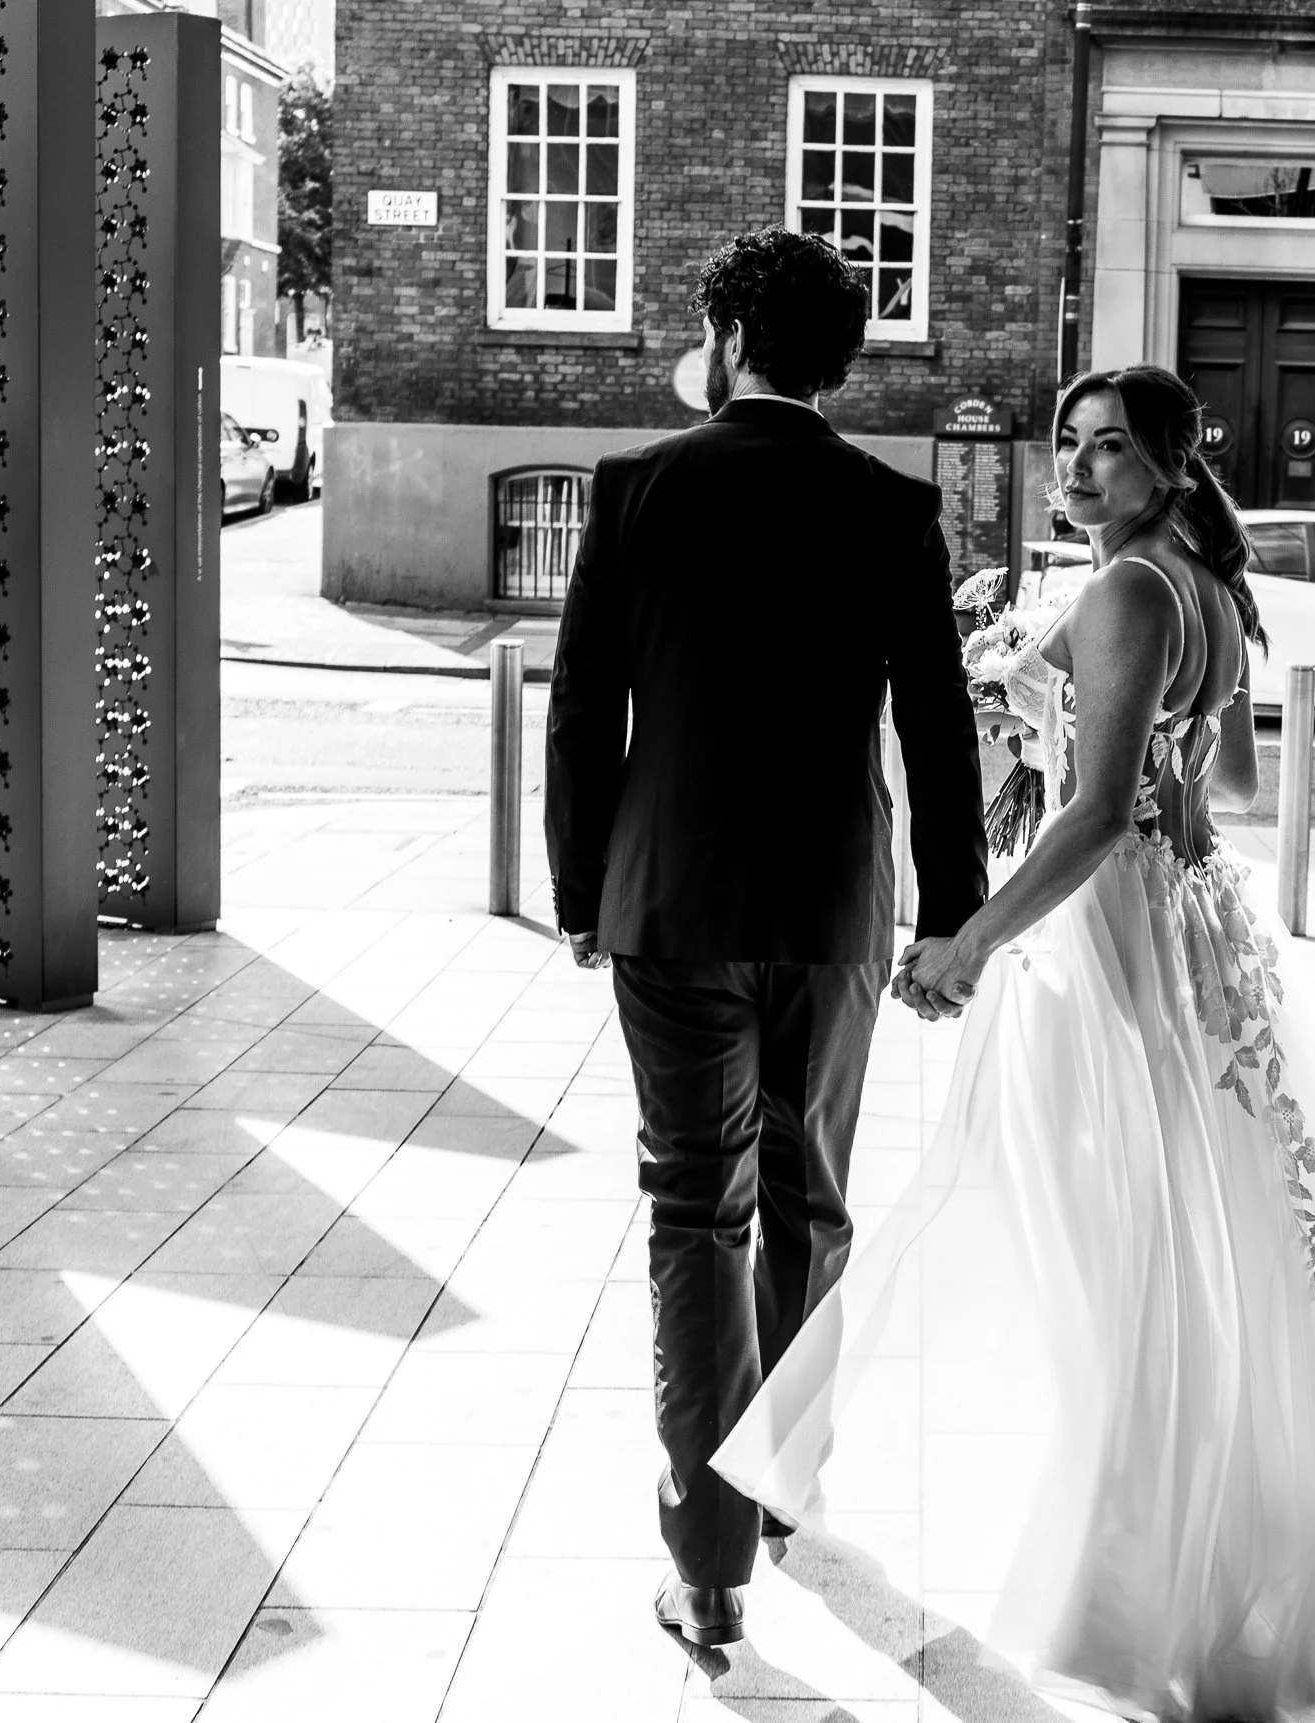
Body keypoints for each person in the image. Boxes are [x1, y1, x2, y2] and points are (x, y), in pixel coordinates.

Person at [714, 363, 1315, 1716]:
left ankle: (1092, 1548)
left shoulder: (1127, 588)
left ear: (1173, 464)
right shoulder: (1211, 588)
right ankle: (1176, 1540)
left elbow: (1103, 809)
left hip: (1109, 948)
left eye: (1111, 448)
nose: (1077, 465)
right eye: (1070, 442)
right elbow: (1221, 780)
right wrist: (1069, 722)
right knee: (1187, 1245)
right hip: (1196, 939)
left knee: (1107, 1254)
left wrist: (973, 932)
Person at [543, 226, 988, 1649]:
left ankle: (711, 1563)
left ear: (729, 338)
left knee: (696, 1210)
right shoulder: (889, 508)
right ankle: (781, 1480)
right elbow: (937, 717)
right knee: (808, 1197)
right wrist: (955, 905)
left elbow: (581, 715)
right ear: (839, 364)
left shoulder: (633, 491)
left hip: (670, 905)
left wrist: (575, 886)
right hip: (832, 907)